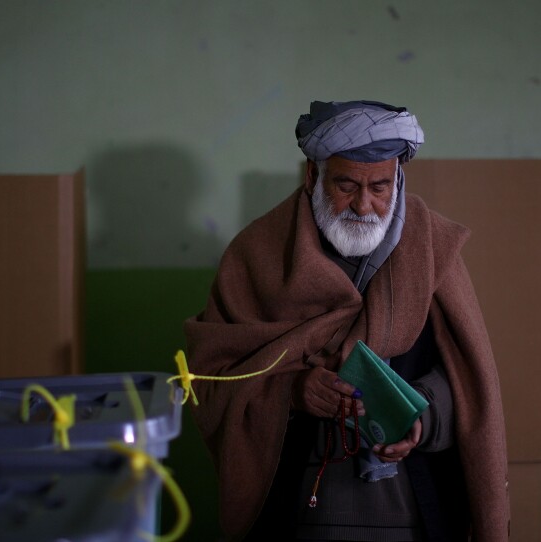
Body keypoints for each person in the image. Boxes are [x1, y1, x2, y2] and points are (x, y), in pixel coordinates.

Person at [184, 100, 509, 541]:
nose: (363, 204)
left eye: (379, 187)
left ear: (397, 180)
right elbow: (210, 382)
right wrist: (292, 392)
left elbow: (472, 383)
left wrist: (421, 415)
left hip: (418, 513)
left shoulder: (434, 250)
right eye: (346, 185)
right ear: (313, 177)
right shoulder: (257, 255)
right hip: (298, 515)